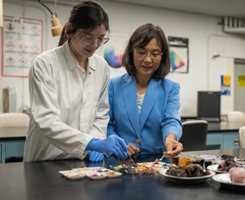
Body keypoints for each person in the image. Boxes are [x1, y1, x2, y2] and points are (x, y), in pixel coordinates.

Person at [23, 0, 127, 162]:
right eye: (88, 37)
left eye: (100, 39)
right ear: (69, 31)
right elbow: (47, 121)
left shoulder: (102, 67)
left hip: (81, 160)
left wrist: (96, 141)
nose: (94, 45)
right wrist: (90, 143)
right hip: (45, 160)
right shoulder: (45, 64)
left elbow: (100, 114)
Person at [107, 23, 183, 158]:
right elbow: (106, 123)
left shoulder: (171, 88)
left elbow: (171, 120)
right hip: (122, 159)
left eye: (155, 54)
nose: (148, 59)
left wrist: (171, 138)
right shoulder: (114, 85)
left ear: (162, 56)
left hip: (157, 160)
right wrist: (118, 143)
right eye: (141, 52)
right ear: (131, 52)